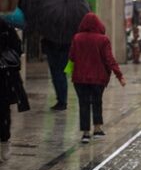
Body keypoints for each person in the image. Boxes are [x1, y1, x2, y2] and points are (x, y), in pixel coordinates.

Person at [68, 13, 126, 143]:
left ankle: (85, 133)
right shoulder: (103, 40)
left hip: (80, 78)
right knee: (97, 101)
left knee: (83, 104)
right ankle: (97, 128)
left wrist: (69, 72)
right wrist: (119, 76)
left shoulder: (77, 38)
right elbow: (109, 59)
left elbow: (72, 57)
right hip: (97, 78)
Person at [0, 17, 30, 162]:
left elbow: (17, 48)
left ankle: (5, 141)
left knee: (3, 111)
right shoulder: (6, 26)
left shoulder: (5, 27)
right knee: (4, 112)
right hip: (5, 78)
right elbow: (18, 48)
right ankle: (5, 142)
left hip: (4, 77)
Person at [42, 37, 70, 111]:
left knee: (57, 75)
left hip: (55, 50)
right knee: (60, 75)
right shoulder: (69, 30)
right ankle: (62, 100)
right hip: (63, 49)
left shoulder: (50, 30)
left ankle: (62, 100)